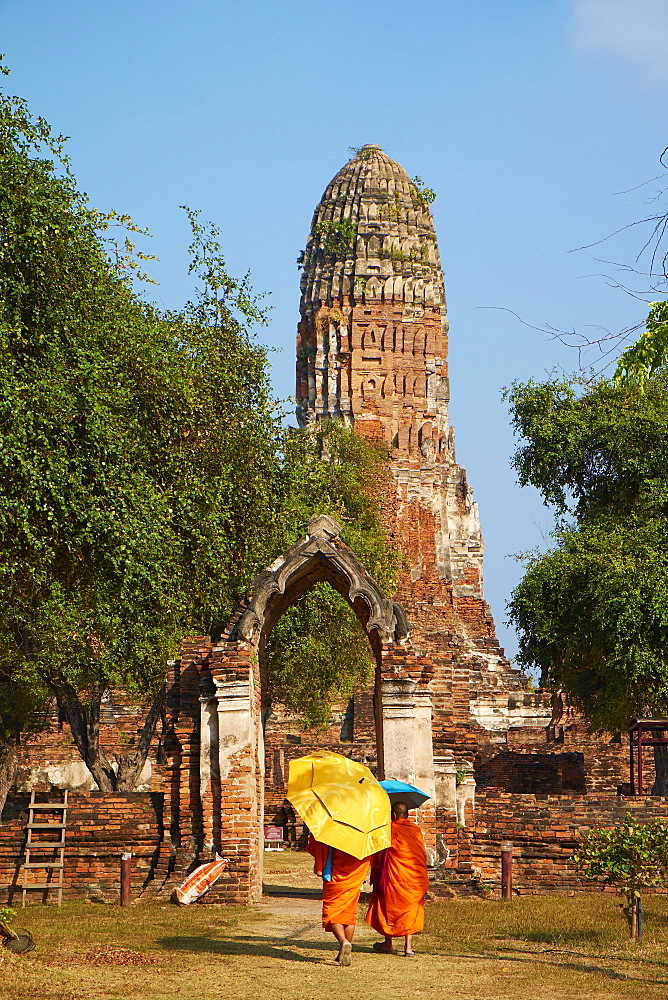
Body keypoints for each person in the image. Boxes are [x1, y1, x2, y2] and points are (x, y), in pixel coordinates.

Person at [365, 800, 429, 957]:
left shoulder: (390, 830)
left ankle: (388, 943)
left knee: (388, 905)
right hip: (415, 877)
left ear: (393, 815)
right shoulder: (415, 830)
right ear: (407, 815)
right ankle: (408, 948)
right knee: (411, 908)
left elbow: (378, 851)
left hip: (395, 876)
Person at [307, 835, 370, 966]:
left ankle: (343, 941)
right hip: (355, 877)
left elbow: (316, 845)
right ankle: (343, 951)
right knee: (349, 914)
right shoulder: (363, 833)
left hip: (335, 876)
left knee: (331, 911)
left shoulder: (334, 830)